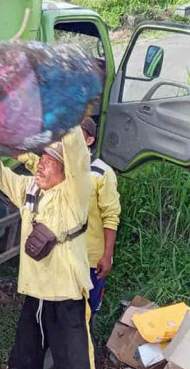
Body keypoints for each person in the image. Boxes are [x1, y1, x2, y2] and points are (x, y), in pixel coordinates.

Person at [0, 126, 107, 369]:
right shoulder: (29, 189)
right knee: (22, 361)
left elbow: (76, 153)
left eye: (51, 161)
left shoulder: (76, 193)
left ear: (66, 171)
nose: (42, 165)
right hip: (35, 297)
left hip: (67, 301)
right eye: (41, 159)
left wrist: (68, 114)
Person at [19, 117, 120, 322]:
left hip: (89, 257)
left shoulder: (102, 173)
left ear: (89, 141)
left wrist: (107, 255)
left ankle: (82, 347)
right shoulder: (58, 165)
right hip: (63, 256)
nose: (67, 140)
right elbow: (33, 161)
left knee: (84, 312)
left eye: (75, 135)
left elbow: (111, 216)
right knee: (57, 308)